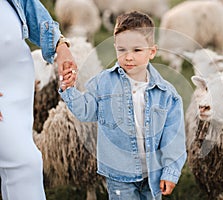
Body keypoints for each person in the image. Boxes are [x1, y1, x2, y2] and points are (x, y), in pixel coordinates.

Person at [59, 11, 187, 200]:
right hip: (119, 173)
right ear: (115, 48)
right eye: (122, 50)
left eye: (137, 50)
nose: (128, 57)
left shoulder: (167, 94)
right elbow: (87, 111)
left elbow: (173, 137)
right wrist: (70, 90)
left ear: (152, 51)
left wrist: (170, 171)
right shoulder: (103, 83)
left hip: (153, 174)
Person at [0, 0, 77, 199]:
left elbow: (27, 5)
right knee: (24, 164)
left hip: (17, 85)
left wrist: (59, 46)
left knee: (19, 169)